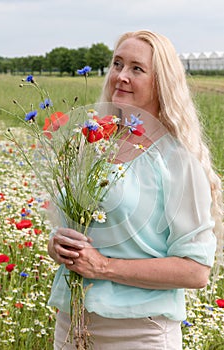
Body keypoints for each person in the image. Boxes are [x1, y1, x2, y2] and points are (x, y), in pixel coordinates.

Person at [47, 30, 223, 350]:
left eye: (136, 69)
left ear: (161, 82)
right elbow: (75, 232)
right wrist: (59, 245)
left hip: (137, 333)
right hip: (72, 323)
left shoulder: (177, 161)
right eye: (117, 64)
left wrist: (102, 267)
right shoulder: (93, 146)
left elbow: (196, 271)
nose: (121, 76)